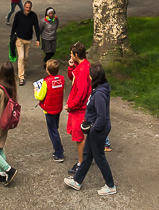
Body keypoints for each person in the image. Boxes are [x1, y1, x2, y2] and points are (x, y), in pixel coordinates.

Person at [64, 64, 116, 195]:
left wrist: (93, 129)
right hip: (95, 128)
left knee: (99, 157)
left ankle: (110, 185)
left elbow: (102, 116)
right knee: (87, 154)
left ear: (93, 77)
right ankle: (77, 181)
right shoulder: (100, 88)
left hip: (97, 129)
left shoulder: (99, 94)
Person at [65, 42, 91, 176]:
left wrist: (71, 106)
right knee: (80, 135)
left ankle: (81, 163)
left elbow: (81, 93)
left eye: (71, 55)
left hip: (79, 109)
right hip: (79, 107)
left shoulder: (82, 71)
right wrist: (71, 67)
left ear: (76, 55)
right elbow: (72, 78)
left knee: (78, 136)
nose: (70, 57)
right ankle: (86, 157)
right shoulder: (82, 66)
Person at [34, 58, 66, 162]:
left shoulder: (46, 82)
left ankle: (59, 153)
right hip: (58, 107)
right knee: (55, 127)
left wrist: (35, 90)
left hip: (49, 109)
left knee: (53, 131)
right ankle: (58, 150)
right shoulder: (62, 79)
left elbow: (40, 96)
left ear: (47, 70)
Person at [10, 0, 40, 85]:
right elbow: (14, 26)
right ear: (24, 7)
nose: (28, 9)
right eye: (26, 7)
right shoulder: (18, 15)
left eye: (29, 8)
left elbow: (36, 27)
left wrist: (38, 39)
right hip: (19, 39)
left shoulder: (33, 15)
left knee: (26, 57)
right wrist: (12, 36)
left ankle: (22, 70)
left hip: (28, 40)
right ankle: (21, 77)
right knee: (21, 57)